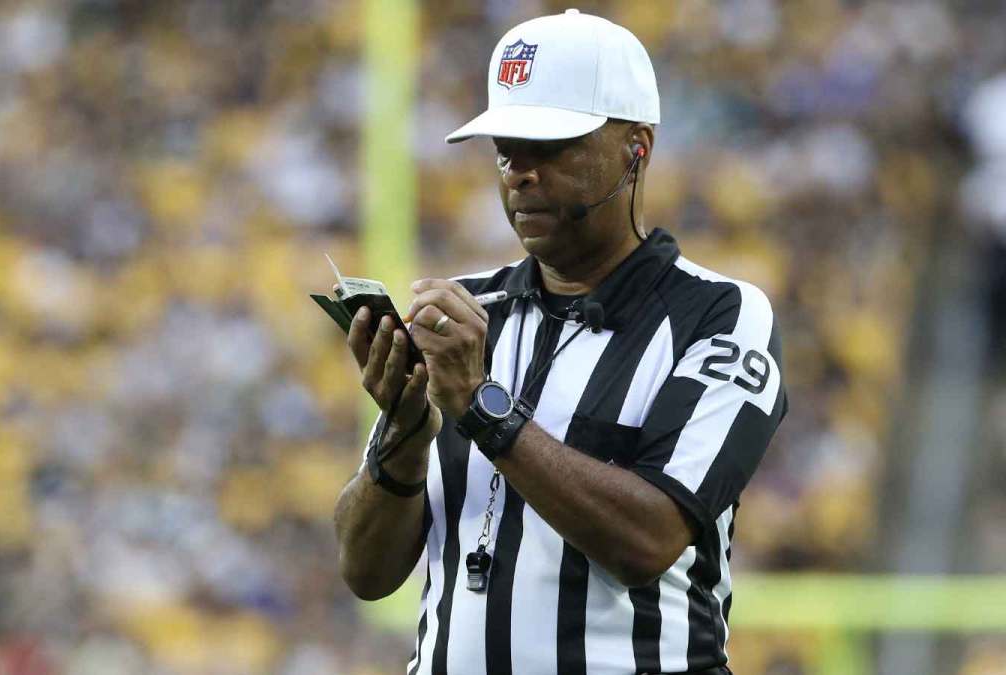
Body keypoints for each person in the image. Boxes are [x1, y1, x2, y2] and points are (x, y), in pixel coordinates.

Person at [333, 10, 788, 675]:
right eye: (506, 149)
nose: (519, 173)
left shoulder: (718, 314)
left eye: (549, 147)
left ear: (636, 148)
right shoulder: (469, 311)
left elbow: (647, 539)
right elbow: (366, 572)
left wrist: (483, 406)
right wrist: (404, 432)